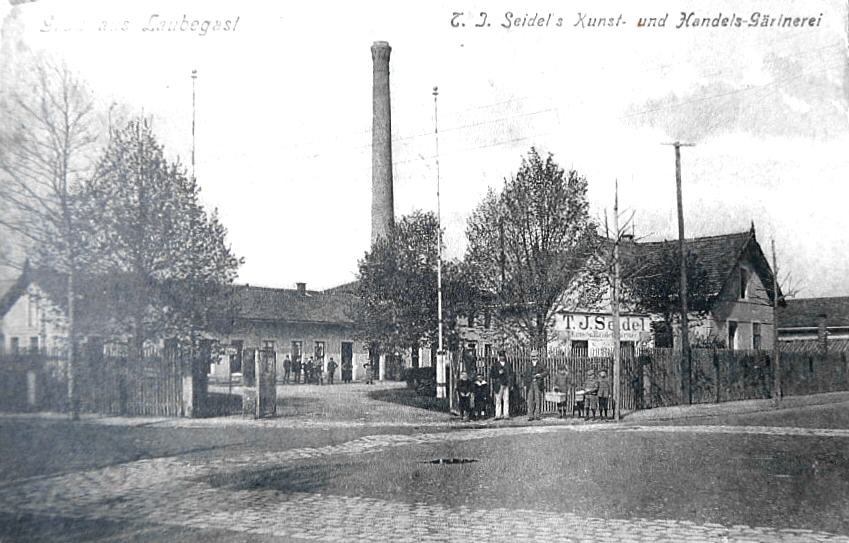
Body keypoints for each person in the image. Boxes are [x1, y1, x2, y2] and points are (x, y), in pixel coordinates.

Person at [523, 349, 548, 421]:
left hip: (538, 383)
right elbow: (525, 374)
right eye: (532, 356)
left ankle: (538, 415)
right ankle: (530, 415)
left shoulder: (541, 364)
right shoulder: (528, 364)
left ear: (538, 356)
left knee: (538, 400)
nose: (534, 357)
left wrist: (540, 375)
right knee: (530, 400)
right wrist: (525, 384)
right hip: (530, 383)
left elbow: (546, 372)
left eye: (535, 356)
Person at [489, 351, 512, 420]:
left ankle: (506, 414)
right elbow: (491, 375)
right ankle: (498, 415)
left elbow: (511, 374)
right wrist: (498, 373)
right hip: (498, 384)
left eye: (503, 356)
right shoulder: (495, 365)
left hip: (506, 384)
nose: (502, 357)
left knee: (506, 399)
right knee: (498, 400)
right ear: (499, 357)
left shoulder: (508, 364)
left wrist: (510, 383)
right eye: (501, 356)